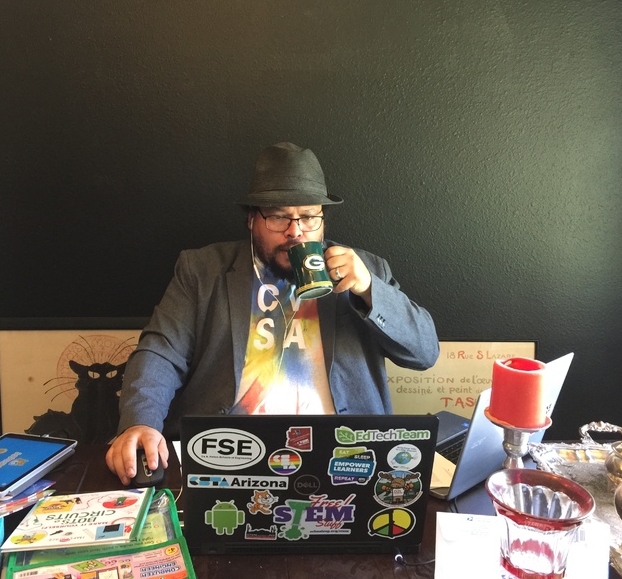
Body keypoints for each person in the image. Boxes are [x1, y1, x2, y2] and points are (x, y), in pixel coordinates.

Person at [106, 142, 439, 484]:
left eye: (308, 216)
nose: (296, 231)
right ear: (252, 219)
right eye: (279, 216)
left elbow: (425, 353)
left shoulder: (365, 270)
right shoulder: (202, 270)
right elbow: (160, 352)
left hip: (343, 456)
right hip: (229, 455)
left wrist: (369, 290)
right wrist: (140, 422)